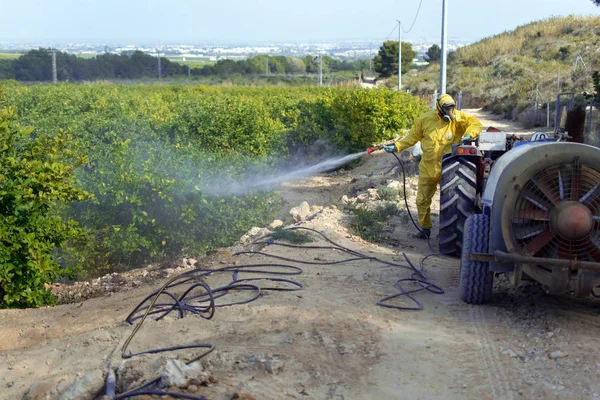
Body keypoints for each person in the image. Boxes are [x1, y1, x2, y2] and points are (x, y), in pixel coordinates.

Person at [384, 94, 483, 239]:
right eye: (446, 108)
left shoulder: (458, 118)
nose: (450, 112)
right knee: (422, 200)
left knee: (452, 201)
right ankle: (425, 229)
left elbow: (475, 123)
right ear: (439, 108)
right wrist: (397, 146)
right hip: (428, 167)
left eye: (452, 108)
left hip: (450, 168)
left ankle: (452, 232)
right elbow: (411, 138)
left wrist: (469, 134)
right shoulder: (425, 119)